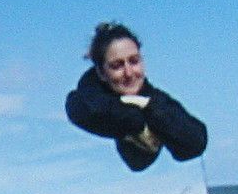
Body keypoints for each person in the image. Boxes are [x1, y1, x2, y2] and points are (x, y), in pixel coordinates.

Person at [65, 22, 208, 171]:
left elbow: (196, 143)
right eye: (117, 65)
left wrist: (153, 111)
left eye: (134, 61)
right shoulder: (81, 102)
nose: (128, 73)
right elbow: (85, 111)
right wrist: (133, 120)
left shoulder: (158, 101)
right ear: (101, 73)